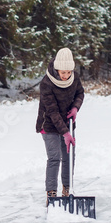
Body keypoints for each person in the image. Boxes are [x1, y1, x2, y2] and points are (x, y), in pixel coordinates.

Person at [36, 47, 85, 203]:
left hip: (67, 123)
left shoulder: (74, 78)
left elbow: (80, 93)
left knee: (69, 157)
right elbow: (52, 111)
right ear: (57, 69)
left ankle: (67, 189)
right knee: (55, 157)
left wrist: (76, 108)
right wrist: (65, 133)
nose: (66, 76)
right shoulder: (46, 83)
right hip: (49, 124)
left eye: (68, 72)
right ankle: (51, 193)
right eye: (63, 73)